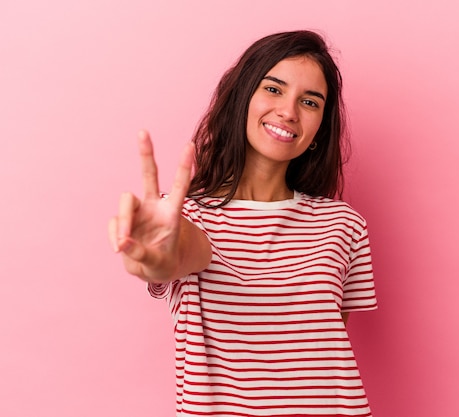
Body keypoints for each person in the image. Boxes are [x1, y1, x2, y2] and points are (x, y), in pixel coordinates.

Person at [108, 30, 377, 417]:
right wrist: (152, 254)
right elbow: (176, 254)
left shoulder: (343, 226)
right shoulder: (185, 215)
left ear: (320, 127)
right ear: (242, 98)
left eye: (309, 101)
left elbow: (321, 357)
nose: (288, 111)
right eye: (273, 89)